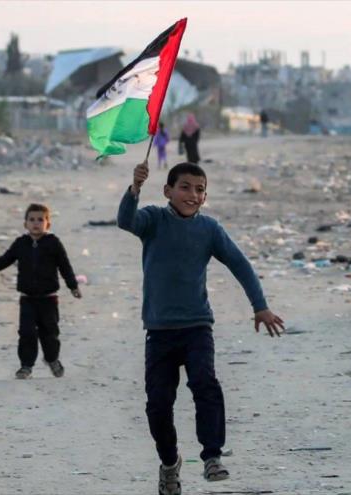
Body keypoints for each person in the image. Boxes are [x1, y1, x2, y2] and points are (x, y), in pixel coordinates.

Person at [117, 161, 285, 495]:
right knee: (158, 405)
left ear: (205, 196)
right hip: (160, 332)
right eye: (184, 187)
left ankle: (212, 456)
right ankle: (169, 463)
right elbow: (126, 221)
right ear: (167, 191)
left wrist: (260, 306)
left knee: (205, 384)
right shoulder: (152, 219)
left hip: (197, 327)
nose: (192, 194)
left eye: (199, 189)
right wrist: (134, 189)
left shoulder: (209, 230)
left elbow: (240, 264)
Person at [0, 204, 82, 379]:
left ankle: (52, 359)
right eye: (32, 220)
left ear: (47, 224)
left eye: (40, 220)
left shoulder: (53, 243)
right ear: (25, 224)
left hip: (49, 299)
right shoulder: (21, 244)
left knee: (50, 333)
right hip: (27, 300)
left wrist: (73, 286)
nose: (36, 223)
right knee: (26, 333)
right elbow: (3, 261)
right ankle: (26, 366)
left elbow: (65, 266)